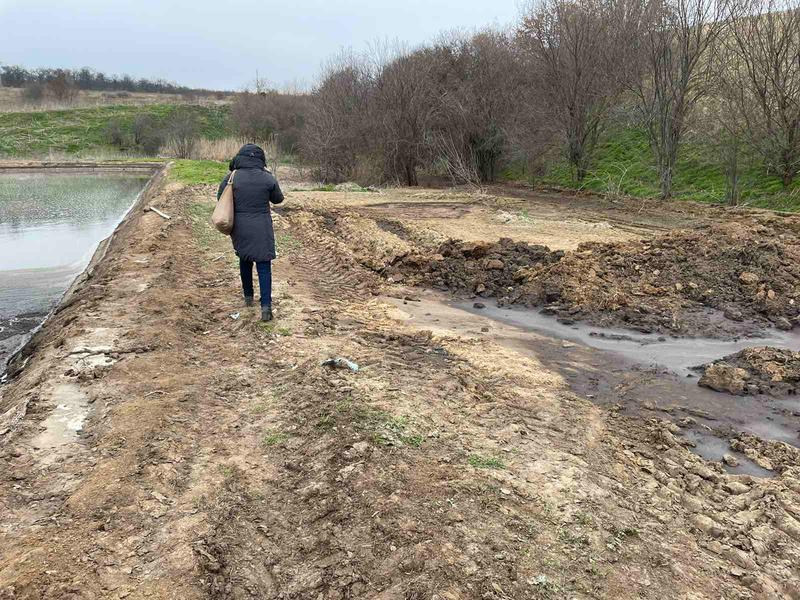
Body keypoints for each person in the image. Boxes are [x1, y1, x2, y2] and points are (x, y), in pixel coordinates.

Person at [217, 143, 284, 321]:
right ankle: (266, 308)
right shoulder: (267, 178)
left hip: (240, 226)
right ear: (261, 159)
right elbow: (278, 199)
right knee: (264, 266)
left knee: (245, 259)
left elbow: (220, 198)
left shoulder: (232, 177)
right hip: (262, 226)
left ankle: (248, 297)